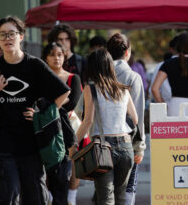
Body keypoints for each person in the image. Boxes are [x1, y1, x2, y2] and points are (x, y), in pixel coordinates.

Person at [0, 16, 70, 205]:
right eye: (3, 35)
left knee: (35, 196)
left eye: (12, 34)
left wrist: (42, 116)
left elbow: (63, 93)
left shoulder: (34, 65)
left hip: (31, 142)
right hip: (4, 141)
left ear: (21, 36)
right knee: (8, 194)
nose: (7, 38)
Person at [73, 48, 137, 205]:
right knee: (121, 196)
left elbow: (88, 120)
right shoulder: (123, 89)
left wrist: (73, 143)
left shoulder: (91, 88)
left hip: (103, 148)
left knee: (106, 197)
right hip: (126, 146)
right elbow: (134, 119)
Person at [107, 33, 146, 204]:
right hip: (126, 141)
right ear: (128, 52)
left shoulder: (99, 76)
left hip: (102, 141)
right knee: (128, 189)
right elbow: (137, 114)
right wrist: (140, 146)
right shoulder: (132, 77)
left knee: (106, 190)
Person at [41, 42, 81, 205]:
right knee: (46, 172)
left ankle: (67, 199)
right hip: (44, 129)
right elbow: (38, 102)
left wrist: (48, 104)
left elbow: (72, 103)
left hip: (67, 129)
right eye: (52, 54)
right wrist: (58, 101)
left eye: (59, 54)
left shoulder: (73, 78)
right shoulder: (41, 77)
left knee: (65, 172)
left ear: (64, 56)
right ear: (45, 57)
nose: (56, 58)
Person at [149, 35, 178, 104]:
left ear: (171, 49)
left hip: (167, 106)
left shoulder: (161, 65)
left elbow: (153, 90)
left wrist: (163, 105)